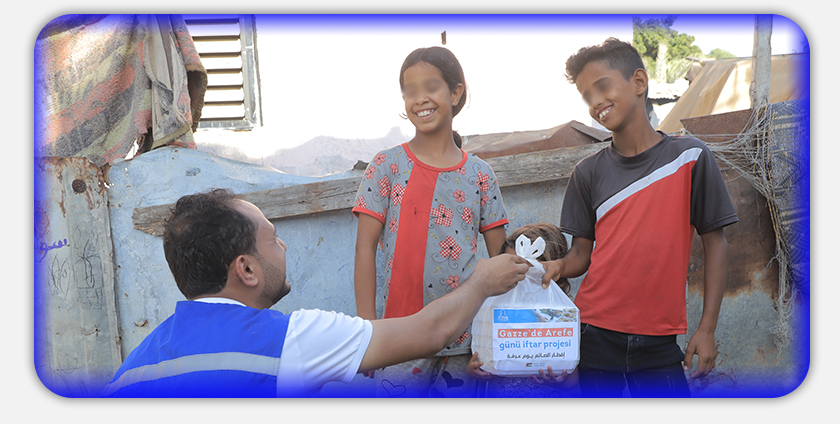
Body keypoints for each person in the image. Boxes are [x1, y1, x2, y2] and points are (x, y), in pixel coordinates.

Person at [101, 189, 529, 398]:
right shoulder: (291, 339)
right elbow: (430, 332)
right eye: (272, 238)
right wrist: (481, 282)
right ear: (246, 269)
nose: (283, 246)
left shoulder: (135, 365)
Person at [540, 38, 739, 398]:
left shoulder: (690, 157)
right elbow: (581, 254)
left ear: (639, 82)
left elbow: (716, 244)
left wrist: (707, 328)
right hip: (594, 333)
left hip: (660, 340)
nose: (595, 102)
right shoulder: (587, 172)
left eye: (602, 87)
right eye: (586, 96)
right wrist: (557, 266)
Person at [352, 46, 509, 398]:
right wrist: (366, 331)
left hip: (465, 339)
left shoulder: (480, 174)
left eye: (431, 87)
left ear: (456, 93)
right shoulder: (387, 166)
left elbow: (500, 261)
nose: (420, 99)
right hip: (398, 337)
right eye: (410, 91)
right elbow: (364, 250)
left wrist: (492, 338)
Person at [465, 223, 580, 396]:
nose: (521, 280)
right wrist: (473, 369)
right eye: (512, 271)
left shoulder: (560, 317)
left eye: (529, 274)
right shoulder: (492, 310)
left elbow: (572, 379)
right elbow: (480, 358)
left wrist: (560, 382)